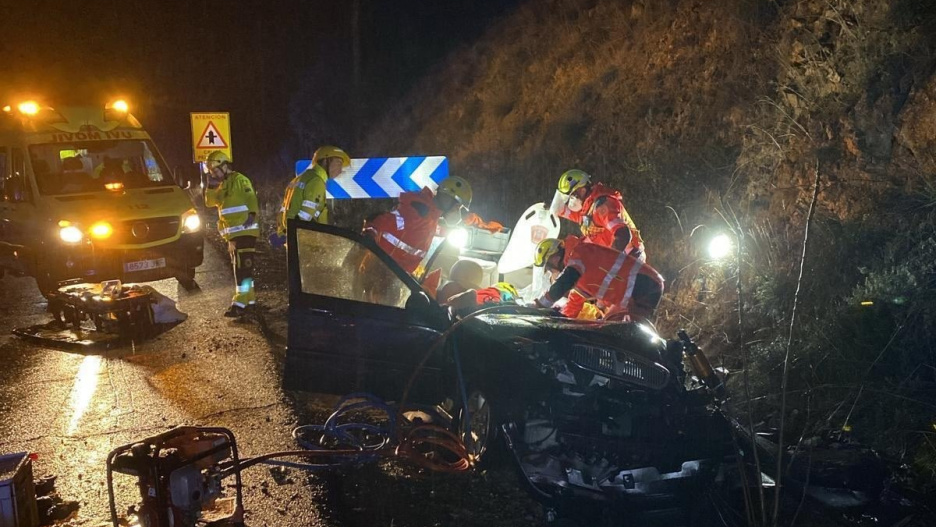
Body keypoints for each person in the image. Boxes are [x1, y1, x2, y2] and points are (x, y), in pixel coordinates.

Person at [532, 236, 663, 322]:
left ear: (555, 255)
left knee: (623, 335)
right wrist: (560, 319)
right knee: (606, 326)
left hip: (644, 285)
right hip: (635, 292)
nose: (551, 271)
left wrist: (541, 305)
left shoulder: (579, 253)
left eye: (549, 265)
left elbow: (565, 281)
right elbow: (573, 302)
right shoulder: (578, 272)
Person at [363, 176, 472, 275]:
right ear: (447, 197)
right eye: (457, 206)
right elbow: (380, 223)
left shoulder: (431, 219)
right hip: (372, 271)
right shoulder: (418, 210)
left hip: (390, 279)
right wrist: (370, 236)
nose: (457, 211)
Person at [203, 150, 260, 317]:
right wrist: (211, 185)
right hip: (233, 234)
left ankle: (240, 303)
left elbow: (251, 199)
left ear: (225, 166)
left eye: (215, 171)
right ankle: (249, 301)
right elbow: (209, 202)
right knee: (241, 269)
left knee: (242, 269)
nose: (214, 174)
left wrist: (252, 214)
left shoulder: (239, 180)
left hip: (245, 231)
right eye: (211, 172)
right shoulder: (222, 184)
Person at [551, 169, 645, 260]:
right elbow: (561, 210)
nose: (570, 200)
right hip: (614, 257)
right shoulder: (586, 210)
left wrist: (610, 261)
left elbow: (623, 234)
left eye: (572, 195)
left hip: (629, 257)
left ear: (582, 190)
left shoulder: (602, 206)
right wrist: (547, 210)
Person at [272, 145, 350, 247]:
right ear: (326, 161)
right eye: (338, 163)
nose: (340, 170)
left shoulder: (298, 179)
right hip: (305, 243)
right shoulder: (317, 181)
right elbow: (306, 216)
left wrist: (283, 234)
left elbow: (283, 211)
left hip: (294, 239)